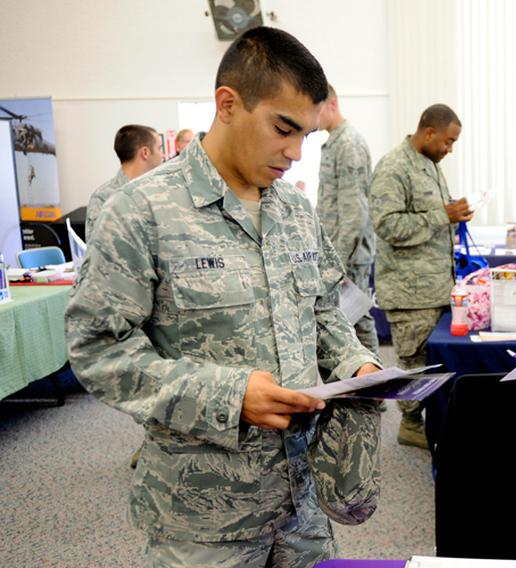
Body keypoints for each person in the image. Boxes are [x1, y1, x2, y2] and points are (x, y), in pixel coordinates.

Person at [65, 26, 380, 567]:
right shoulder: (141, 212)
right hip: (204, 519)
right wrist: (230, 396)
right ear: (228, 104)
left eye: (307, 134)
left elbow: (327, 310)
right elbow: (98, 351)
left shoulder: (295, 212)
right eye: (284, 129)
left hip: (303, 507)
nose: (296, 153)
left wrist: (358, 364)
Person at [370, 104, 473, 448]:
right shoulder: (394, 167)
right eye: (448, 141)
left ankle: (430, 420)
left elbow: (430, 217)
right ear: (429, 132)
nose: (449, 149)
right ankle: (411, 423)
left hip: (434, 287)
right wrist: (442, 215)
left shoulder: (429, 166)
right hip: (408, 291)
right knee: (413, 362)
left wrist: (452, 215)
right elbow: (387, 226)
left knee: (434, 363)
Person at [316, 83, 379, 359]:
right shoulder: (334, 142)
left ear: (331, 104)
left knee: (356, 323)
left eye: (315, 111)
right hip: (338, 253)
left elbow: (354, 212)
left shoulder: (349, 144)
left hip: (348, 257)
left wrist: (336, 263)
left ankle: (375, 395)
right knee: (346, 323)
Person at [85, 124, 163, 240]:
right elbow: (98, 251)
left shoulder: (159, 191)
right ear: (145, 152)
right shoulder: (103, 198)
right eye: (160, 148)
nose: (163, 155)